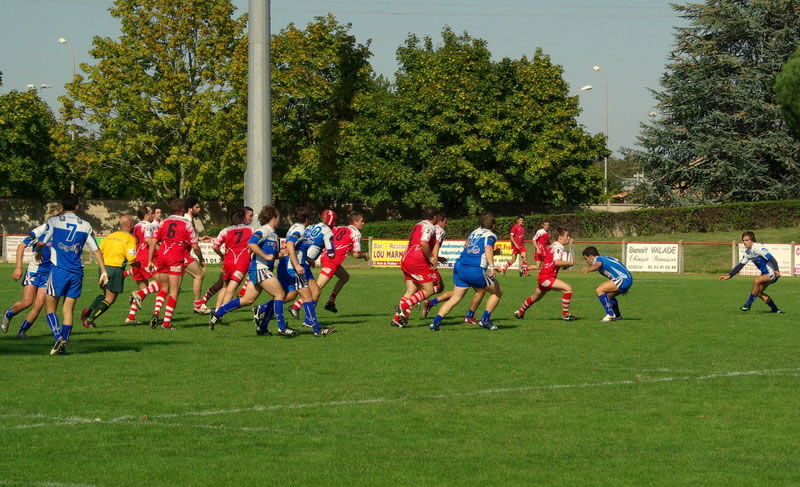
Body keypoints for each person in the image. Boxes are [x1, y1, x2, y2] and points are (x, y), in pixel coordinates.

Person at [210, 205, 297, 337]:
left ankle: (218, 313)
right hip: (260, 268)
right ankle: (282, 328)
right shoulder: (264, 230)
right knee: (280, 294)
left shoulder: (273, 234)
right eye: (278, 217)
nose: (279, 220)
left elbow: (271, 254)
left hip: (260, 270)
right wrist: (265, 256)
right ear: (274, 218)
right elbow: (251, 243)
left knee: (247, 300)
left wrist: (280, 254)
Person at [39, 194, 109, 355]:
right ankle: (63, 347)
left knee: (50, 308)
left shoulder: (54, 221)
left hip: (59, 270)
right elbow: (96, 250)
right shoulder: (85, 225)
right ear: (77, 206)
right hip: (77, 272)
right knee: (68, 309)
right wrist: (103, 271)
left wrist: (37, 251)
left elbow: (42, 241)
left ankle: (57, 336)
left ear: (62, 206)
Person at [429, 212, 503, 331]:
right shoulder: (491, 235)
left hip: (462, 269)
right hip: (475, 270)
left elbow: (467, 246)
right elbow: (488, 248)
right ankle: (485, 320)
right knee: (498, 292)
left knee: (455, 298)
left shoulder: (474, 232)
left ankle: (435, 323)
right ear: (493, 226)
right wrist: (492, 266)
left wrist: (490, 255)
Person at [2, 204, 62, 338]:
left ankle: (21, 332)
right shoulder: (40, 231)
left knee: (39, 304)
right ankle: (8, 314)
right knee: (27, 302)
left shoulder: (61, 233)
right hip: (34, 271)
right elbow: (21, 246)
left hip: (48, 274)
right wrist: (18, 267)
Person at [273, 208, 334, 336]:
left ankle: (315, 328)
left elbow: (297, 247)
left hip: (292, 266)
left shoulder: (294, 227)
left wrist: (307, 258)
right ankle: (316, 329)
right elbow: (290, 244)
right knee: (306, 296)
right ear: (306, 219)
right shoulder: (300, 229)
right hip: (295, 268)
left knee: (293, 296)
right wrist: (296, 265)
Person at [147, 199, 205, 330]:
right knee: (174, 291)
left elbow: (153, 241)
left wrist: (150, 260)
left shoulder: (163, 222)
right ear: (183, 210)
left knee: (163, 288)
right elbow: (195, 246)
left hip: (162, 256)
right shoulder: (186, 224)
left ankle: (156, 312)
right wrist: (201, 259)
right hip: (175, 257)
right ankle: (166, 323)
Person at [81, 216, 138, 328]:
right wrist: (138, 266)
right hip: (115, 269)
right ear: (130, 225)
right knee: (110, 299)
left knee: (105, 294)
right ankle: (89, 320)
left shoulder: (110, 236)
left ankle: (89, 310)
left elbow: (99, 250)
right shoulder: (130, 238)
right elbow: (131, 258)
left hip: (103, 268)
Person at [391, 207, 440, 328]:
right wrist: (431, 258)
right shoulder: (429, 227)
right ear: (434, 217)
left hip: (406, 257)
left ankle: (397, 320)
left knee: (411, 290)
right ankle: (403, 307)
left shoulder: (418, 225)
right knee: (429, 290)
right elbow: (423, 242)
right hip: (417, 260)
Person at [514, 228, 576, 321]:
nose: (569, 237)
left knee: (535, 298)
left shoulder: (554, 245)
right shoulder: (559, 247)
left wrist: (564, 264)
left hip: (543, 276)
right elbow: (556, 262)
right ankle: (565, 315)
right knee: (568, 289)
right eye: (567, 236)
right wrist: (569, 263)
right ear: (560, 237)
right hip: (546, 277)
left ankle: (520, 312)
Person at [287, 209, 337, 325]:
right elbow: (331, 254)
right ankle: (309, 320)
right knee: (313, 292)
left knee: (292, 295)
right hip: (301, 264)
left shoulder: (309, 227)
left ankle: (264, 309)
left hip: (298, 261)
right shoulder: (327, 231)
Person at [317, 212, 369, 313]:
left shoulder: (339, 228)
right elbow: (356, 254)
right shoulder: (356, 233)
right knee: (317, 288)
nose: (363, 223)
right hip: (332, 261)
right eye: (362, 221)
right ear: (355, 222)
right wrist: (365, 255)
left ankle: (331, 302)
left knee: (345, 277)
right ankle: (296, 306)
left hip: (327, 256)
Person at [718, 231, 782, 313]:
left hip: (772, 273)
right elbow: (740, 265)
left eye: (747, 240)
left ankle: (748, 304)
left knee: (757, 280)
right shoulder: (747, 252)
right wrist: (729, 275)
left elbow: (772, 259)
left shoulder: (759, 248)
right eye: (743, 240)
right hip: (765, 274)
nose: (744, 242)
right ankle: (775, 309)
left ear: (752, 240)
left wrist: (777, 270)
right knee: (758, 293)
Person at [205, 208, 255, 309]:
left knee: (224, 287)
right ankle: (220, 313)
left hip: (227, 262)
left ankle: (217, 309)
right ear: (243, 218)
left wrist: (222, 255)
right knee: (231, 289)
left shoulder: (226, 230)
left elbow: (215, 246)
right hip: (241, 263)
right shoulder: (251, 230)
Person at [126, 206, 160, 323]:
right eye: (151, 213)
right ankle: (138, 294)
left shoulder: (136, 227)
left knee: (143, 288)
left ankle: (130, 317)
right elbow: (148, 240)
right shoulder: (148, 225)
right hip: (146, 258)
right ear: (146, 215)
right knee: (163, 283)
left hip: (137, 259)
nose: (153, 215)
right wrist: (161, 251)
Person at [581, 246, 633, 321]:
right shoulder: (604, 258)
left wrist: (588, 269)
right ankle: (617, 315)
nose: (586, 261)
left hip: (623, 279)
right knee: (608, 297)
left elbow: (597, 265)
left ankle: (610, 314)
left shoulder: (598, 259)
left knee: (599, 290)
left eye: (586, 259)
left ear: (591, 257)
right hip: (625, 279)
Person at [182, 197, 209, 314]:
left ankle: (140, 293)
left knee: (169, 285)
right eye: (197, 207)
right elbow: (195, 247)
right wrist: (201, 259)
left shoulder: (187, 219)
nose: (199, 209)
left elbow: (186, 236)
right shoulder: (187, 221)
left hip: (176, 253)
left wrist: (199, 238)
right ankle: (198, 306)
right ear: (190, 208)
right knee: (199, 275)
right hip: (181, 253)